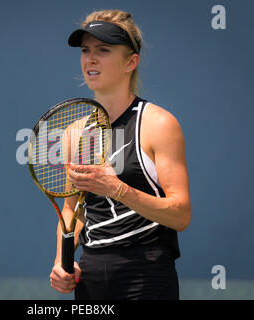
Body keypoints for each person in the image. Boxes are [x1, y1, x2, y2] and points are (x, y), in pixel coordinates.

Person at [49, 9, 191, 300]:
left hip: (146, 274)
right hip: (90, 277)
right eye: (86, 50)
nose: (91, 58)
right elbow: (71, 212)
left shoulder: (159, 124)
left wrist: (117, 188)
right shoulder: (74, 133)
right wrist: (60, 264)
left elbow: (180, 215)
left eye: (103, 49)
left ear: (131, 62)